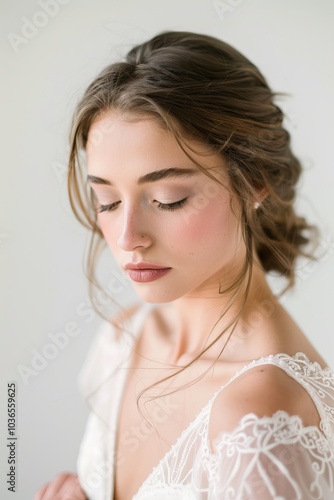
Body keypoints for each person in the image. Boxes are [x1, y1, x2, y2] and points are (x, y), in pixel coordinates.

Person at [35, 31, 334, 499]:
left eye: (167, 199)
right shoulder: (122, 340)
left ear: (254, 182)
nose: (129, 238)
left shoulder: (258, 418)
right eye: (108, 201)